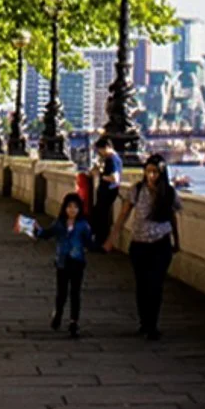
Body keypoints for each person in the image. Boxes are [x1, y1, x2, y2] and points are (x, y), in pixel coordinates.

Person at [110, 152, 181, 341]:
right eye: (148, 171)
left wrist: (177, 241)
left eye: (155, 172)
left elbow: (173, 218)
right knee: (142, 285)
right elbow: (124, 214)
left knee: (156, 284)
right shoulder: (136, 190)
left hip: (161, 243)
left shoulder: (169, 193)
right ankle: (144, 321)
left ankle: (153, 325)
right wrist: (113, 237)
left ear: (162, 173)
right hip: (139, 245)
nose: (151, 176)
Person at [38, 191, 93, 337]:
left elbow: (89, 242)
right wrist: (35, 228)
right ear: (65, 208)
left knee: (75, 293)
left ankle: (74, 321)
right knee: (61, 292)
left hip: (77, 262)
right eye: (69, 207)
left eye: (75, 207)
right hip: (62, 262)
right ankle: (58, 314)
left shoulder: (83, 226)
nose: (72, 210)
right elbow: (46, 234)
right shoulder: (59, 224)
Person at [91, 136, 121, 249]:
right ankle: (100, 240)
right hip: (108, 192)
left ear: (107, 147)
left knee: (101, 217)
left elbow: (115, 178)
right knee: (100, 216)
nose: (100, 153)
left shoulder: (111, 159)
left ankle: (100, 241)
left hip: (107, 192)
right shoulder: (113, 158)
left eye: (100, 150)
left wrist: (101, 175)